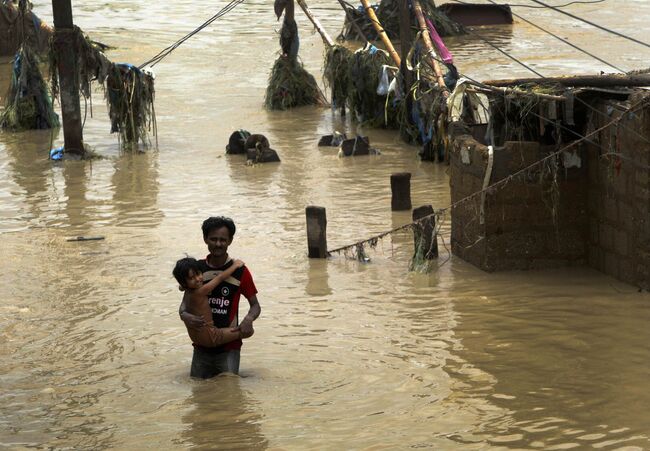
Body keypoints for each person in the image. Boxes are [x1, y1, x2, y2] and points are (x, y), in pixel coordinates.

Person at [179, 216, 261, 378]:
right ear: (205, 239)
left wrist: (249, 319)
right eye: (213, 239)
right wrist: (185, 316)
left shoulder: (241, 271)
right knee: (199, 397)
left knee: (229, 393)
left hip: (229, 348)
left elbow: (255, 306)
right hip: (201, 348)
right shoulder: (196, 270)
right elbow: (184, 304)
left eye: (223, 240)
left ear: (230, 240)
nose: (218, 244)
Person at [173, 256, 246, 348]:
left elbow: (181, 288)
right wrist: (235, 265)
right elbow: (220, 278)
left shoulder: (187, 290)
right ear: (184, 283)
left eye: (198, 274)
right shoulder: (200, 291)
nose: (197, 279)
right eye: (192, 278)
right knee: (247, 331)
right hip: (212, 336)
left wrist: (184, 285)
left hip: (196, 339)